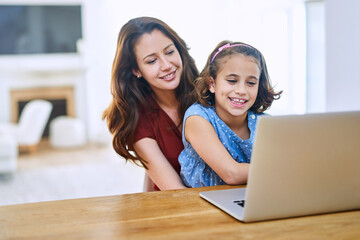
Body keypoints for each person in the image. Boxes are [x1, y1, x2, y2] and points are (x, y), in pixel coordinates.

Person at [102, 17, 199, 191]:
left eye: (169, 52)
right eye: (152, 61)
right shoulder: (138, 119)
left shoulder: (207, 93)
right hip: (179, 206)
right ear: (136, 70)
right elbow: (175, 191)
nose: (167, 65)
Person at [179, 40, 282, 187]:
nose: (241, 90)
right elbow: (231, 174)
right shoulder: (197, 117)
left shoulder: (265, 124)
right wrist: (284, 169)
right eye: (232, 80)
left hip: (246, 201)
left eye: (251, 83)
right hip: (199, 203)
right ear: (212, 84)